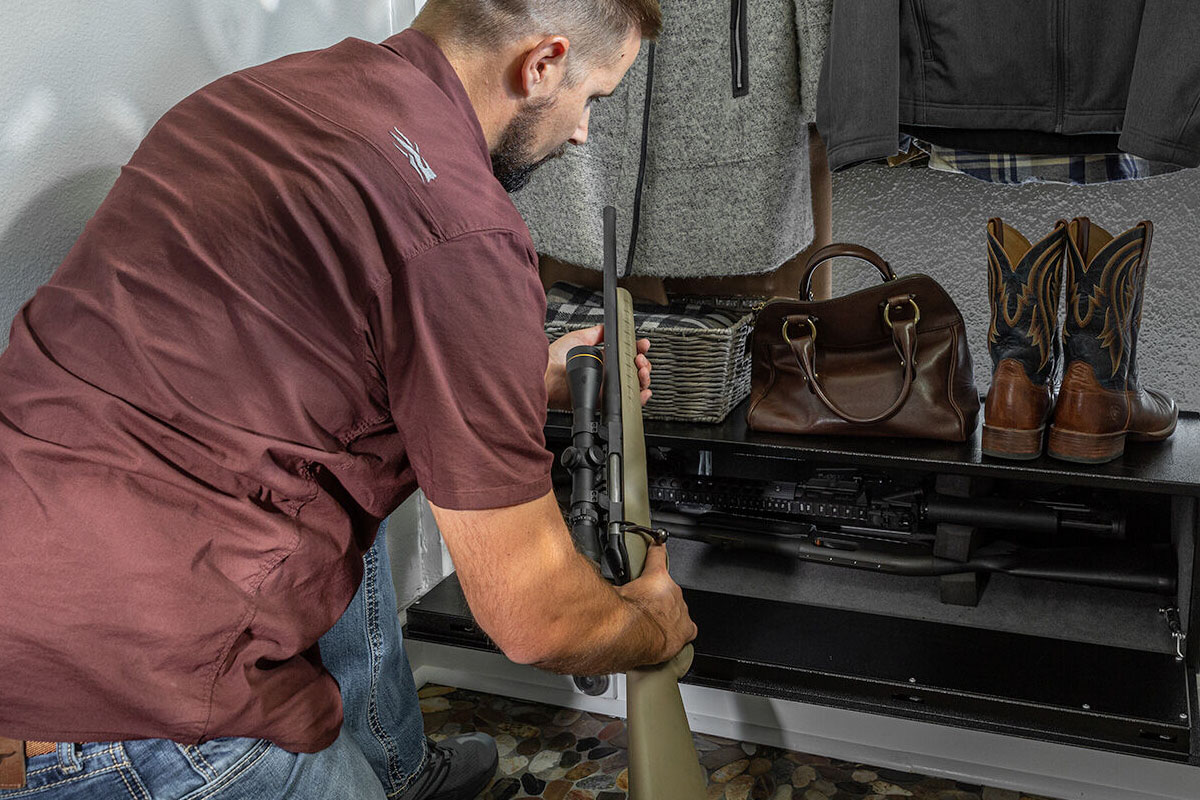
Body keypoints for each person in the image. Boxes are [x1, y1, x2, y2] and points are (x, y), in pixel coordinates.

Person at [0, 0, 698, 798]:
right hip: (139, 717)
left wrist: (512, 377)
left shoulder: (255, 99)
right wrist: (649, 628)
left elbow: (315, 353)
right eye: (592, 100)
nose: (581, 132)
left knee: (342, 468)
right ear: (541, 66)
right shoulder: (466, 234)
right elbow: (536, 618)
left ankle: (402, 773)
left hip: (26, 580)